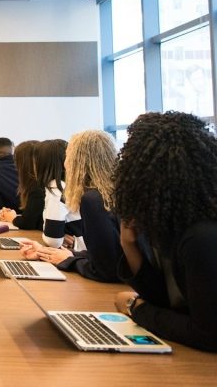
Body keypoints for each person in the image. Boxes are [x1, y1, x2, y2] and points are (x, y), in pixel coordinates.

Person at [112, 111, 217, 352]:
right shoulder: (173, 223)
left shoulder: (202, 236)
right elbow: (168, 300)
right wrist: (129, 245)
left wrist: (136, 308)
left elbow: (208, 335)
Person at [19, 131, 121, 282]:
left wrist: (70, 260)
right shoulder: (114, 192)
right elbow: (113, 256)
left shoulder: (93, 200)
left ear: (77, 162)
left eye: (68, 156)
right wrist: (51, 252)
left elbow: (106, 270)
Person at [0, 140, 43, 230]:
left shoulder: (37, 188)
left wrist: (12, 218)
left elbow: (27, 223)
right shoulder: (38, 184)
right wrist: (11, 214)